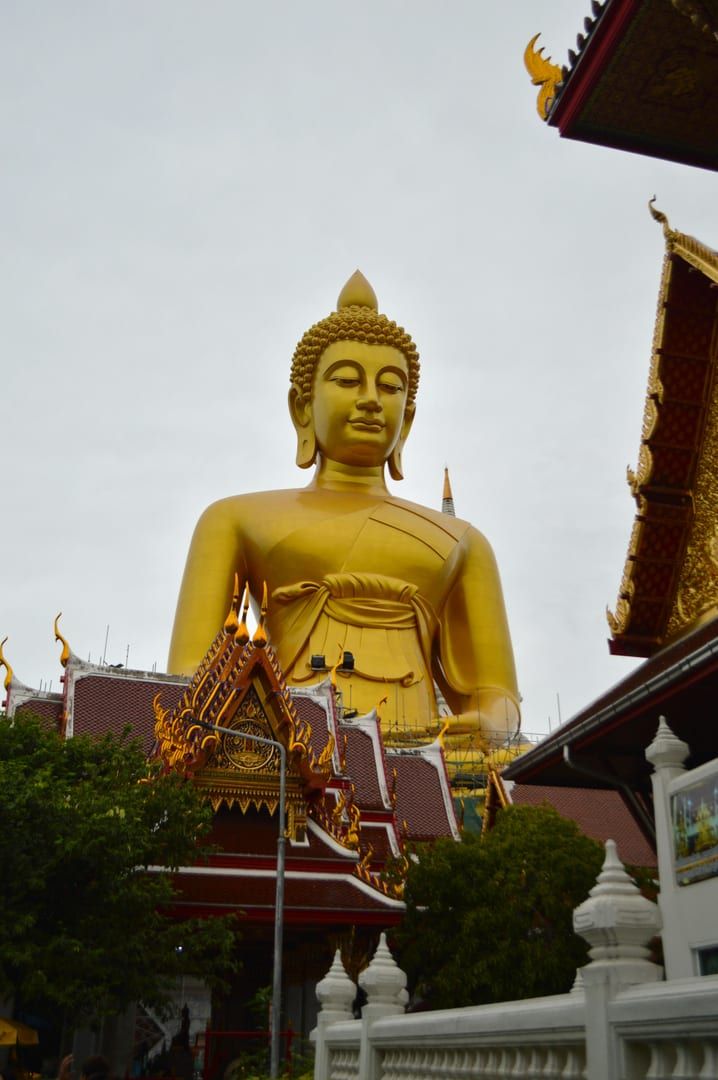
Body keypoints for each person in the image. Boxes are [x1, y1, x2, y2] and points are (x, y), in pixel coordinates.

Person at [168, 272, 519, 746]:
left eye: (391, 387)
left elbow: (497, 698)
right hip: (286, 749)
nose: (372, 400)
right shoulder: (233, 520)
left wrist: (491, 724)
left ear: (408, 420)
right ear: (302, 408)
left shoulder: (462, 543)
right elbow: (191, 680)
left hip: (424, 753)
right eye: (349, 380)